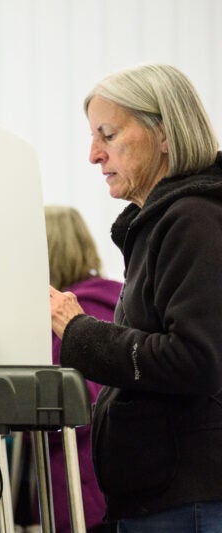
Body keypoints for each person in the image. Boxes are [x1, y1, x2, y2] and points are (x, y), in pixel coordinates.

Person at [50, 63, 222, 532]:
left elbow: (192, 358)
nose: (93, 154)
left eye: (107, 133)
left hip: (188, 505)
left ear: (163, 134)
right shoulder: (166, 224)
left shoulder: (193, 220)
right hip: (164, 501)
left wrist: (77, 330)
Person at [42, 205, 121, 532]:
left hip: (83, 496)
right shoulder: (112, 304)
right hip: (104, 490)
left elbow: (77, 406)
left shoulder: (74, 318)